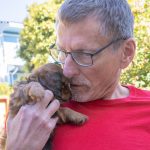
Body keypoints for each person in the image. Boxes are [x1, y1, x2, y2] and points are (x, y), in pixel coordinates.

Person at [5, 0, 150, 150]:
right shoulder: (31, 110)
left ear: (126, 53)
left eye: (83, 54)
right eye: (62, 52)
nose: (66, 71)